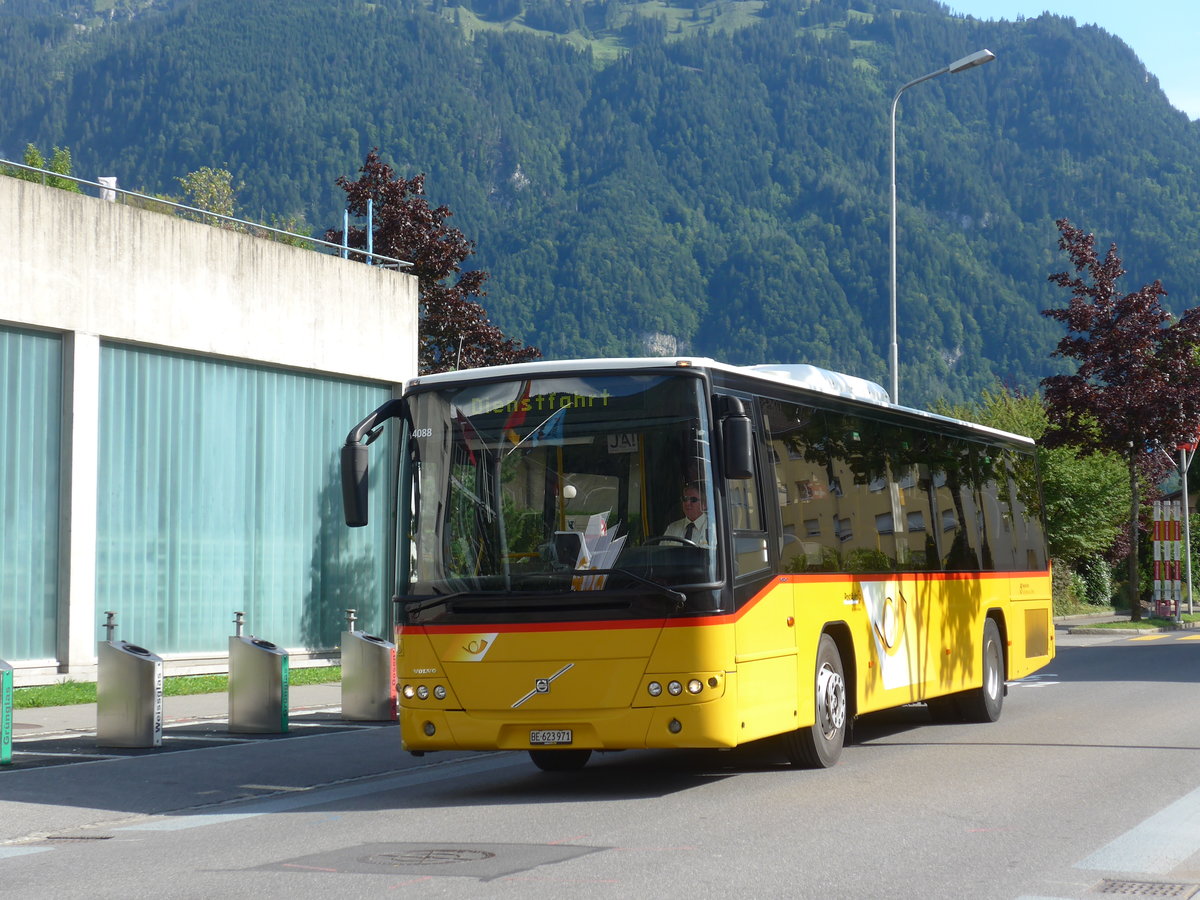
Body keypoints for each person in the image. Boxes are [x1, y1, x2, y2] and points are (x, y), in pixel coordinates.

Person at [664, 483, 712, 547]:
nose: (687, 503)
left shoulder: (714, 528)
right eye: (685, 499)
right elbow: (662, 555)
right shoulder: (672, 528)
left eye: (693, 500)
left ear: (704, 504)